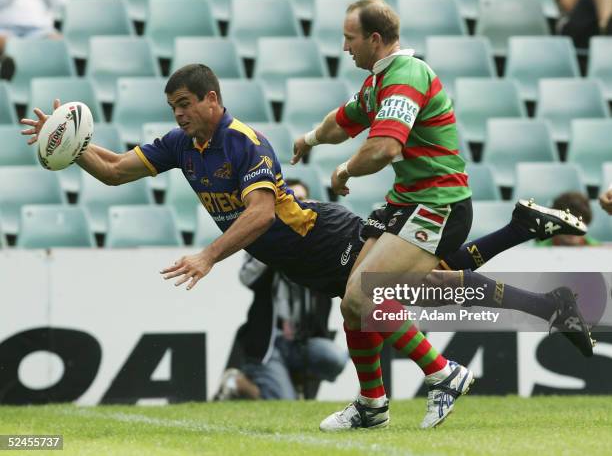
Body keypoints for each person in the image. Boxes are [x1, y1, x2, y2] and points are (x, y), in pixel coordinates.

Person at [20, 63, 592, 431]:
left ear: (213, 100)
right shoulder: (180, 145)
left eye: (187, 104)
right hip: (303, 260)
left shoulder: (244, 143)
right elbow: (117, 172)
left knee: (377, 299)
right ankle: (540, 290)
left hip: (326, 238)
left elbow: (262, 212)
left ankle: (435, 377)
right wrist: (72, 146)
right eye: (173, 107)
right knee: (436, 285)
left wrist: (207, 256)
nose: (179, 114)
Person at [290, 0, 594, 431]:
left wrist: (344, 169)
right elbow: (344, 120)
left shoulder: (406, 76)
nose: (343, 47)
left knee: (367, 295)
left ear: (375, 39)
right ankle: (372, 404)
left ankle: (444, 373)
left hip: (437, 204)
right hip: (407, 202)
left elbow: (386, 147)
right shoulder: (379, 82)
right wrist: (310, 138)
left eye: (349, 38)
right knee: (364, 302)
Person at [216, 180, 348, 401]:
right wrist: (276, 245)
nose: (298, 204)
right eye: (292, 198)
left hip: (302, 342)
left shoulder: (317, 243)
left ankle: (291, 377)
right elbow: (246, 278)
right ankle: (237, 384)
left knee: (335, 358)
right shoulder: (261, 236)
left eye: (303, 200)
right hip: (270, 342)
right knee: (284, 402)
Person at [0, 0, 69, 80]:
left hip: (40, 29)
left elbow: (61, 2)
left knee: (58, 43)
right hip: (5, 28)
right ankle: (6, 73)